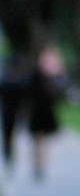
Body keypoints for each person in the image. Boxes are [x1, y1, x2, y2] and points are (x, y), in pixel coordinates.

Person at [24, 45, 68, 181]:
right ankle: (38, 165)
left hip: (47, 111)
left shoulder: (56, 76)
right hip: (37, 112)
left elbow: (61, 93)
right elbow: (29, 93)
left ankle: (41, 165)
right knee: (38, 140)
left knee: (44, 140)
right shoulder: (36, 75)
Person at [0, 56, 27, 176]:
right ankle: (8, 156)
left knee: (7, 137)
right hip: (11, 113)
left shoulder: (5, 81)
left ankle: (8, 156)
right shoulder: (18, 82)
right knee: (9, 137)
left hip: (6, 113)